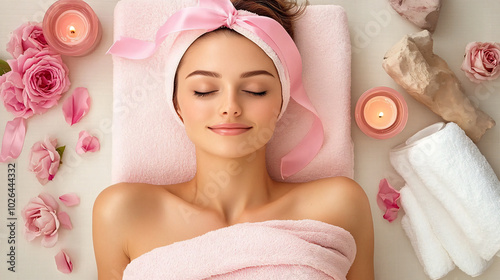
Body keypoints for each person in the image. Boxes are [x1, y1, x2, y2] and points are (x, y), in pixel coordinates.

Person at [93, 0, 374, 279]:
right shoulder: (123, 212)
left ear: (282, 102)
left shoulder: (339, 205)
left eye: (255, 90)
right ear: (177, 103)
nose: (230, 106)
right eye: (204, 90)